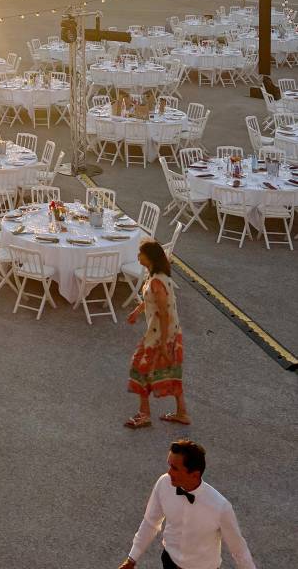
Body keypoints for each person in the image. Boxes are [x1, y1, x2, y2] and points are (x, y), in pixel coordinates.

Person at [119, 439, 256, 568]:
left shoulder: (220, 507)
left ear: (195, 475)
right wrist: (132, 559)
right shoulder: (164, 483)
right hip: (169, 562)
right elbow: (150, 522)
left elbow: (238, 549)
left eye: (175, 468)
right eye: (169, 465)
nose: (169, 472)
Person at [125, 240, 189, 429]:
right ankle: (182, 413)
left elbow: (163, 311)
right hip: (171, 333)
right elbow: (152, 299)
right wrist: (138, 311)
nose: (138, 256)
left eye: (141, 253)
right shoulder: (157, 277)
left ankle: (144, 414)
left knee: (140, 368)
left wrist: (162, 343)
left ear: (150, 257)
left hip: (160, 335)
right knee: (171, 371)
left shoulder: (155, 282)